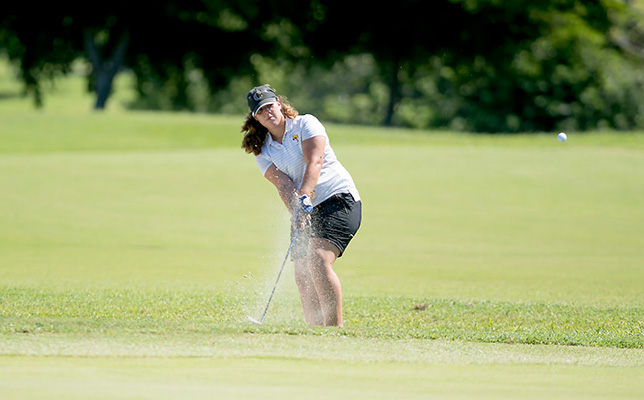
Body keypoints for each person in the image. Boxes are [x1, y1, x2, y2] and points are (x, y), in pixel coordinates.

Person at [240, 85, 362, 327]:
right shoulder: (262, 150)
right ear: (256, 118)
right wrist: (295, 210)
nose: (267, 112)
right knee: (303, 275)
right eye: (261, 111)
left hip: (338, 200)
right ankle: (315, 333)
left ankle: (334, 332)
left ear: (279, 103)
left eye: (269, 106)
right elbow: (283, 185)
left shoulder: (306, 124)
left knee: (317, 261)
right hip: (306, 208)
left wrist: (304, 196)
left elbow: (314, 161)